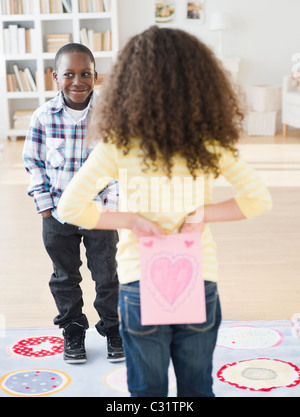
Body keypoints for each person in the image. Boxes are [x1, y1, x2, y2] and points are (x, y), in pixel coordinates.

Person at [57, 27, 272, 396]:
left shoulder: (117, 146)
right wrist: (201, 214)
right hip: (197, 276)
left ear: (129, 84)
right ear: (201, 83)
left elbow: (70, 206)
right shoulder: (211, 144)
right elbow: (258, 199)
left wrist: (132, 221)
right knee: (197, 388)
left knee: (146, 390)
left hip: (140, 280)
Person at [23, 43, 124, 364]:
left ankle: (112, 329)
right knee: (64, 276)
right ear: (56, 77)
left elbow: (120, 165)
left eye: (85, 74)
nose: (77, 81)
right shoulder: (42, 117)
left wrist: (110, 207)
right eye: (69, 74)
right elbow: (33, 161)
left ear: (97, 76)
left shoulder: (110, 118)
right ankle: (73, 329)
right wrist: (43, 203)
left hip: (99, 214)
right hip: (57, 214)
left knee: (106, 275)